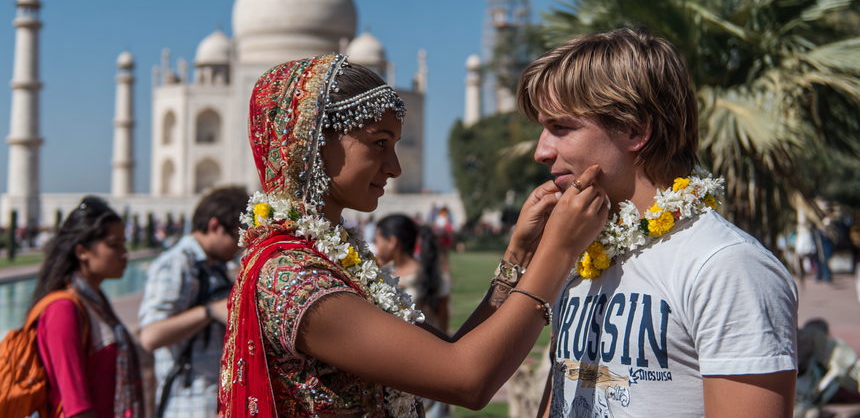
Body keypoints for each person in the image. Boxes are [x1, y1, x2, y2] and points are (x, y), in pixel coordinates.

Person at [219, 54, 610, 417]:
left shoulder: (332, 256)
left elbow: (450, 354)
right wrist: (559, 249)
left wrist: (520, 254)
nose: (394, 167)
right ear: (313, 145)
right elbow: (468, 380)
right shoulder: (293, 278)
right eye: (378, 143)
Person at [516, 27, 798, 418]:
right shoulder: (582, 255)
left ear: (635, 129)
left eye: (560, 128)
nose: (541, 152)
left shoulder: (725, 265)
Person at [138, 187, 248, 418]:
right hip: (187, 404)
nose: (239, 247)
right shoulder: (176, 264)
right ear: (215, 226)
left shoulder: (213, 265)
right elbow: (150, 336)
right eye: (237, 237)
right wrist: (208, 312)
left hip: (213, 399)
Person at [32, 196, 143, 418]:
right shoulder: (63, 309)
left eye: (123, 243)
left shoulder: (96, 303)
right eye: (113, 245)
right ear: (82, 251)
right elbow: (76, 407)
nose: (124, 253)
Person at [375, 214, 451, 334]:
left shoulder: (431, 275)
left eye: (377, 241)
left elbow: (442, 324)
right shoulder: (381, 275)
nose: (376, 248)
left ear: (391, 242)